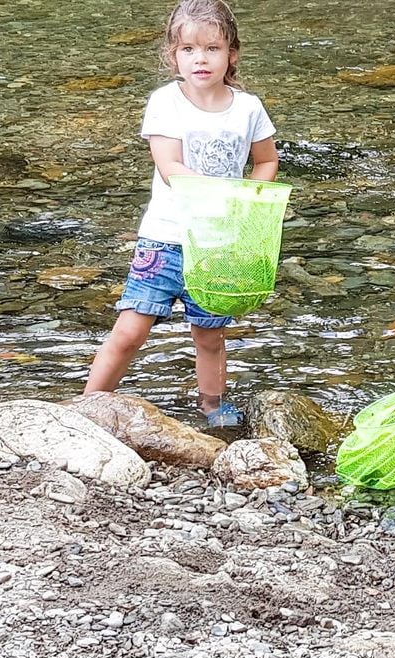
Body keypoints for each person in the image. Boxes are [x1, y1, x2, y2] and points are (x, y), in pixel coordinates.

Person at [84, 0, 279, 427]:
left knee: (209, 335)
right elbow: (169, 164)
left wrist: (249, 196)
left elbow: (266, 159)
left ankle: (212, 404)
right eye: (188, 49)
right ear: (173, 56)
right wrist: (211, 194)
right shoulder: (166, 102)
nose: (201, 58)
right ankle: (89, 404)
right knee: (131, 330)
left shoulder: (247, 108)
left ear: (232, 54)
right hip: (165, 237)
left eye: (212, 48)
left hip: (219, 245)